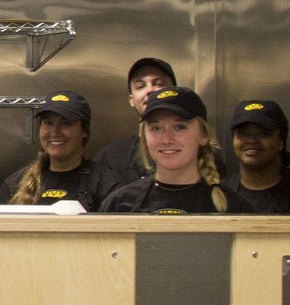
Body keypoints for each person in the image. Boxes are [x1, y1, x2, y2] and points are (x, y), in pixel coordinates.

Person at [98, 87, 242, 214]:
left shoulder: (233, 206)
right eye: (156, 128)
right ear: (145, 137)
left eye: (180, 127)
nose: (166, 139)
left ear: (204, 135)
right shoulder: (120, 204)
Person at [0, 91, 121, 210]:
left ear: (84, 131)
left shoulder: (107, 185)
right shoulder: (15, 184)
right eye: (48, 122)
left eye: (65, 123)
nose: (55, 132)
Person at [94, 57, 177, 186]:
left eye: (159, 84)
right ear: (131, 100)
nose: (150, 90)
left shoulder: (194, 151)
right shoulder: (111, 157)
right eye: (140, 86)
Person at [220, 100, 290, 214]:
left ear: (281, 141)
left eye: (263, 134)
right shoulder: (219, 193)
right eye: (243, 134)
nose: (252, 140)